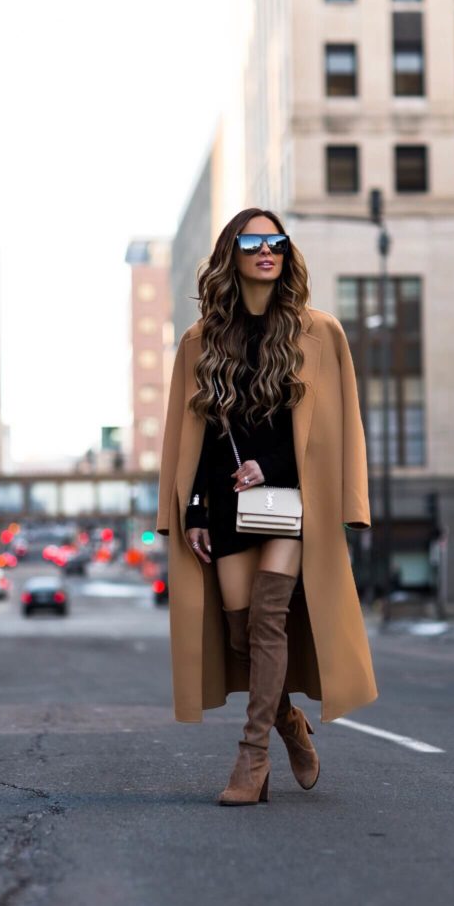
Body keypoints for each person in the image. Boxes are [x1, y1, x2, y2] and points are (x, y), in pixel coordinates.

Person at [157, 207, 377, 806]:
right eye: (253, 241)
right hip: (227, 507)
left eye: (276, 240)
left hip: (293, 502)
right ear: (232, 253)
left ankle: (251, 758)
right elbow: (189, 438)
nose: (267, 249)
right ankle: (289, 724)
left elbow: (339, 427)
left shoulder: (318, 331)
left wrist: (285, 472)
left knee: (268, 618)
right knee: (239, 633)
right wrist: (194, 511)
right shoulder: (200, 341)